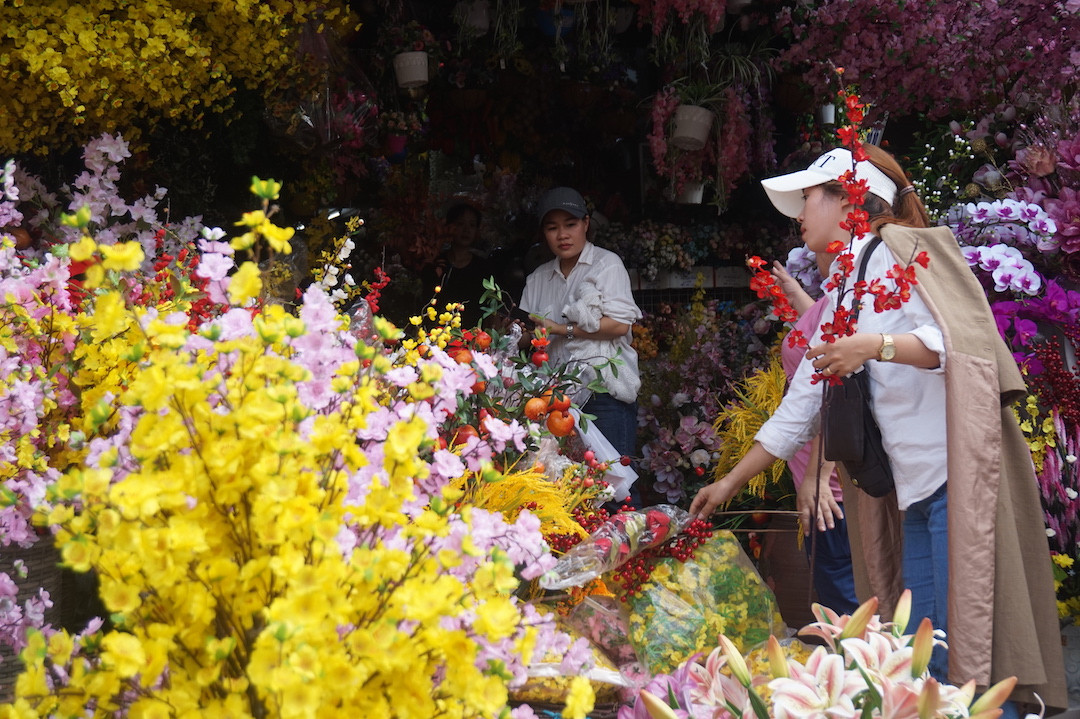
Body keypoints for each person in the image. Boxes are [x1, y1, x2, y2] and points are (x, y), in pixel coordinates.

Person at [690, 145, 1065, 710]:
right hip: (913, 492)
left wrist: (875, 345)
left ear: (851, 204)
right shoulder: (845, 286)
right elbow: (800, 405)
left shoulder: (898, 253)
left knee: (968, 650)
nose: (799, 213)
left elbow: (961, 344)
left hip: (957, 480)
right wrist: (730, 483)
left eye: (809, 198)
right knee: (927, 652)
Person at [519, 187, 643, 507]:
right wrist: (518, 336)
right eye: (552, 227)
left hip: (604, 391)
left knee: (616, 490)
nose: (562, 234)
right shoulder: (537, 279)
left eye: (570, 224)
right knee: (571, 493)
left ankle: (635, 556)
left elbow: (620, 324)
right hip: (557, 400)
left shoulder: (606, 265)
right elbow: (532, 338)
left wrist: (562, 329)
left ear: (586, 224)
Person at [772, 254, 859, 616]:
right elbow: (820, 338)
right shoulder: (832, 302)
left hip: (831, 491)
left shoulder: (857, 297)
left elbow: (836, 396)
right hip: (822, 481)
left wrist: (818, 476)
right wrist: (797, 297)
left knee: (846, 608)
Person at [422, 199, 494, 329]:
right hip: (436, 337)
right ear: (450, 227)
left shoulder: (483, 268)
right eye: (460, 224)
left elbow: (489, 311)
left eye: (472, 225)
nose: (466, 230)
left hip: (472, 340)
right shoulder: (437, 264)